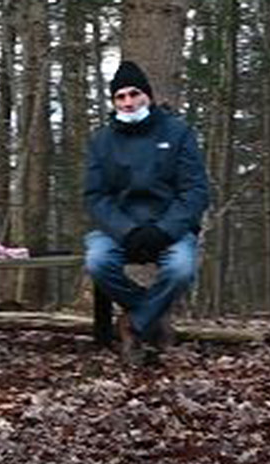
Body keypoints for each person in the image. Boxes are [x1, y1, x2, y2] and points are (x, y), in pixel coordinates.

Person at [83, 62, 210, 367]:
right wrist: (126, 231)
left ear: (148, 96)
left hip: (170, 228)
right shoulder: (101, 141)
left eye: (134, 94)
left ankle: (134, 324)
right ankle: (152, 315)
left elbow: (196, 192)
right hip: (120, 229)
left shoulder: (178, 133)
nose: (128, 102)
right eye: (120, 97)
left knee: (181, 268)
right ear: (114, 102)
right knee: (97, 261)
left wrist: (164, 230)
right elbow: (96, 196)